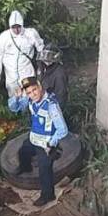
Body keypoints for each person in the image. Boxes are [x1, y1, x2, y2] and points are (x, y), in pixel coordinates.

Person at [8, 76, 68, 206]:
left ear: (40, 87)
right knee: (23, 151)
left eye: (34, 90)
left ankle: (48, 196)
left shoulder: (51, 105)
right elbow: (14, 108)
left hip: (46, 143)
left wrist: (51, 144)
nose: (33, 94)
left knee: (44, 171)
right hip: (34, 138)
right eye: (29, 92)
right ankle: (25, 167)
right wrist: (17, 97)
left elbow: (63, 129)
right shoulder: (31, 101)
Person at [0, 10, 44, 97]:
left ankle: (29, 109)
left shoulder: (31, 34)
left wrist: (42, 66)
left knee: (29, 94)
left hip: (26, 71)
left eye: (18, 27)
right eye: (13, 27)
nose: (16, 30)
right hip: (11, 74)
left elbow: (41, 48)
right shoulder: (4, 37)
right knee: (14, 96)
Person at [37, 44, 68, 108]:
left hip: (52, 105)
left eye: (49, 58)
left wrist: (56, 111)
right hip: (40, 102)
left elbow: (61, 96)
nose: (45, 61)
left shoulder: (59, 74)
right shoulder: (42, 67)